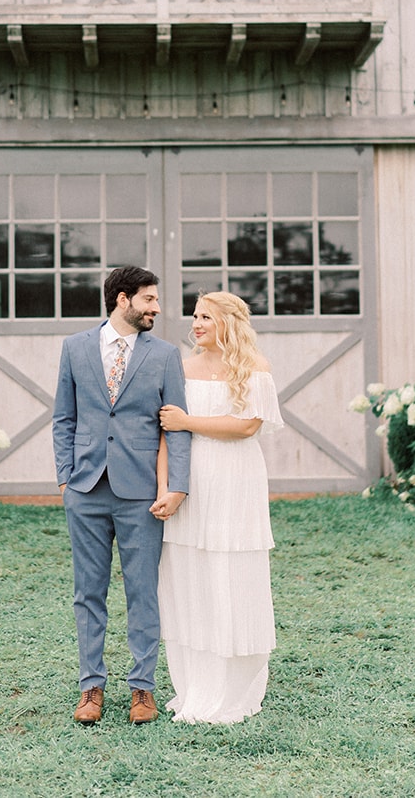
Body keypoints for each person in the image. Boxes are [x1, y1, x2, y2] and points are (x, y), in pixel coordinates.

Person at [53, 266, 191, 725]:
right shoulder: (74, 348)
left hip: (141, 495)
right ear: (122, 300)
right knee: (87, 593)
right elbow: (63, 418)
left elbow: (178, 428)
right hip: (86, 489)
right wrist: (65, 477)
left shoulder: (166, 355)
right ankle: (91, 688)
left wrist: (176, 487)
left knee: (142, 592)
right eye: (149, 299)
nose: (156, 308)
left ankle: (142, 691)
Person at [153, 291, 283, 724]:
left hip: (235, 481)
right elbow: (165, 435)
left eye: (205, 316)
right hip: (192, 483)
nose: (196, 324)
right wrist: (168, 487)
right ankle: (195, 687)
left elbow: (246, 425)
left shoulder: (254, 369)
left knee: (231, 572)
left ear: (228, 321)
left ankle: (232, 688)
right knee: (190, 575)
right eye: (194, 316)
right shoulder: (182, 369)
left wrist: (188, 421)